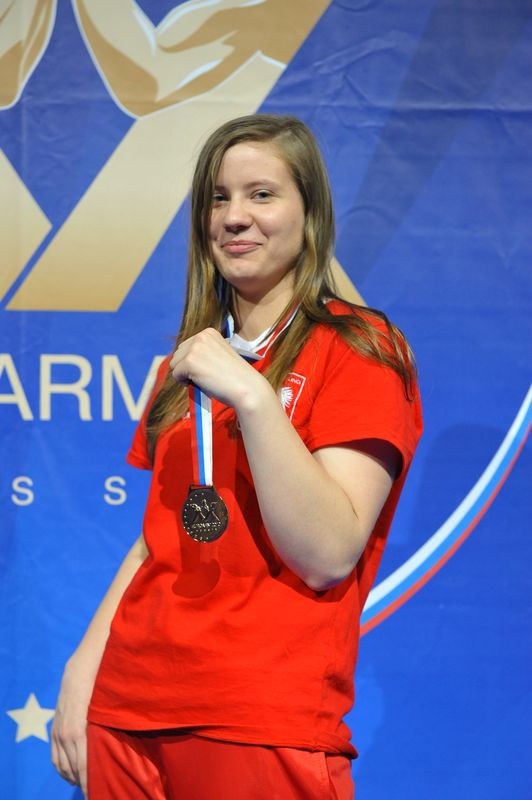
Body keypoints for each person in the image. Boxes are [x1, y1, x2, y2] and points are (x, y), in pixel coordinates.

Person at [51, 113, 422, 799]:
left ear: (309, 214)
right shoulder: (187, 363)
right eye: (218, 198)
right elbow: (154, 542)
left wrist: (253, 399)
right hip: (128, 711)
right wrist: (84, 667)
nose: (234, 217)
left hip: (258, 715)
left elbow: (330, 550)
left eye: (261, 195)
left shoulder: (363, 349)